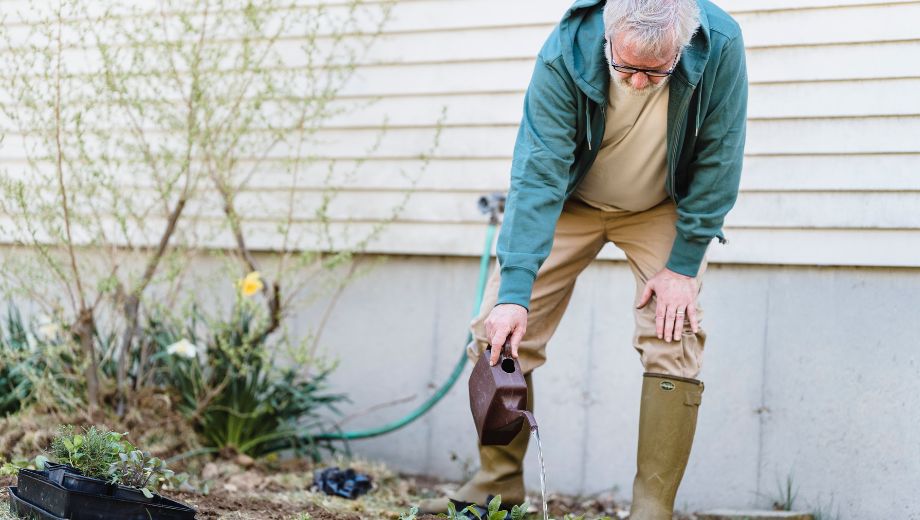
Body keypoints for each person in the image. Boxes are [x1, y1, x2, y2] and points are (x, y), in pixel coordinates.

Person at [420, 0, 747, 518]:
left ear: (683, 47)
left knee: (674, 336)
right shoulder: (565, 52)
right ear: (608, 39)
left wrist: (683, 266)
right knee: (497, 327)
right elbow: (538, 170)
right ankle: (497, 483)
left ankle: (651, 508)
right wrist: (514, 293)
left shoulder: (720, 44)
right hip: (570, 202)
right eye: (626, 68)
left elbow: (720, 155)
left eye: (655, 71)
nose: (638, 82)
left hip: (661, 208)